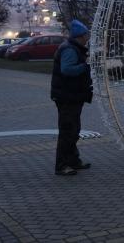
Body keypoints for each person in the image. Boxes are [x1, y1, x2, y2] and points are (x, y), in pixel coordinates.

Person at [50, 19, 93, 176]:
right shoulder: (69, 50)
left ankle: (73, 160)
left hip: (72, 96)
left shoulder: (74, 47)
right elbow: (67, 70)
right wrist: (85, 66)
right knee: (68, 131)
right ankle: (62, 165)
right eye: (86, 34)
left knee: (74, 130)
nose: (88, 37)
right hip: (67, 96)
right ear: (80, 36)